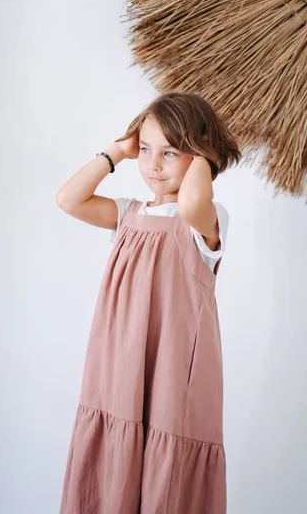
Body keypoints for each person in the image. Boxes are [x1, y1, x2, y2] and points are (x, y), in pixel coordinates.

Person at [56, 90, 242, 514]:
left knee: (167, 466)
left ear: (200, 157)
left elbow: (193, 200)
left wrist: (203, 157)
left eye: (170, 152)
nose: (153, 164)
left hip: (175, 368)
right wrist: (116, 152)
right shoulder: (127, 213)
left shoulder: (207, 219)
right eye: (145, 149)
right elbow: (68, 200)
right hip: (120, 361)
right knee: (114, 457)